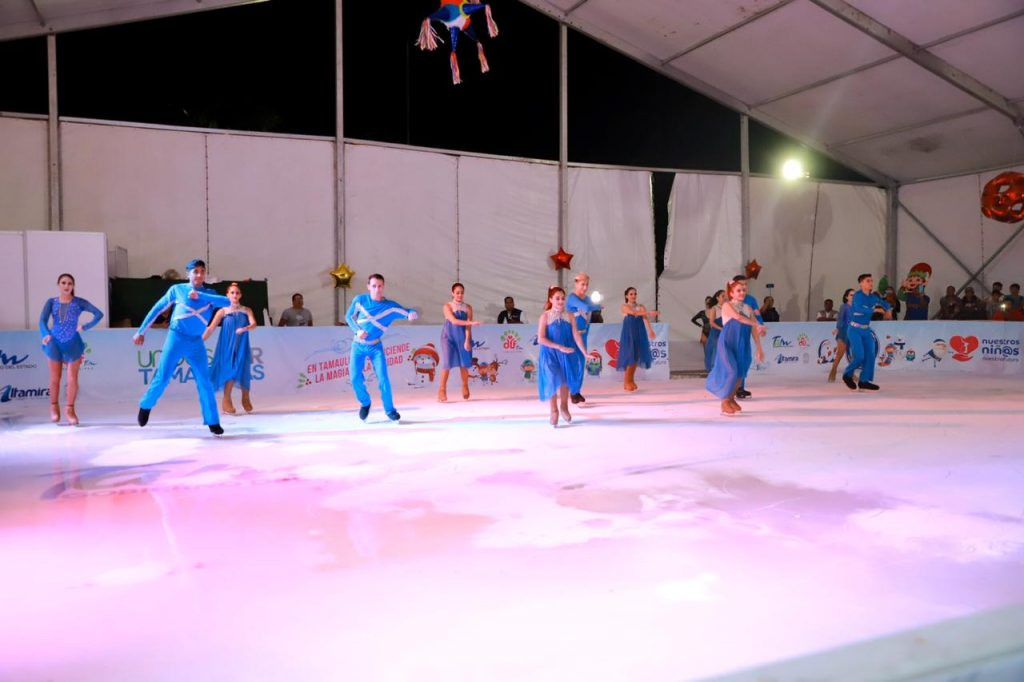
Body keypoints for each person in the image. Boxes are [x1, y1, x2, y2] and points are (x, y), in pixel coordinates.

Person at [134, 259, 231, 434]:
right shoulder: (177, 290)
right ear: (188, 274)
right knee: (162, 376)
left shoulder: (209, 293)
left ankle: (212, 421)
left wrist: (201, 296)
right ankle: (145, 405)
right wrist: (141, 331)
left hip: (195, 342)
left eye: (202, 271)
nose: (199, 274)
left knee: (205, 382)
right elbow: (157, 309)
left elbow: (227, 302)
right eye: (195, 271)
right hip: (176, 338)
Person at [345, 273, 418, 422]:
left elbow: (406, 311)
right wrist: (357, 330)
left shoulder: (390, 307)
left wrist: (412, 314)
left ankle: (390, 410)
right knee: (354, 378)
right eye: (374, 286)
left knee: (383, 379)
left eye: (379, 286)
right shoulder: (360, 300)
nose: (377, 289)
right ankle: (365, 403)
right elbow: (348, 317)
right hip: (357, 346)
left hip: (375, 347)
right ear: (368, 287)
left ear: (383, 287)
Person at [38, 273, 104, 425]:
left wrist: (85, 327)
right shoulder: (51, 302)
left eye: (69, 283)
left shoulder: (79, 302)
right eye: (63, 283)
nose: (66, 286)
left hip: (73, 343)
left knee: (72, 379)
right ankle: (54, 407)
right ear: (58, 285)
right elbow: (42, 320)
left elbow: (98, 314)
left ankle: (70, 409)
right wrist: (45, 334)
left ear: (73, 286)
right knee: (55, 378)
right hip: (54, 342)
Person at [705, 279, 765, 416]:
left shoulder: (748, 308)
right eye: (738, 290)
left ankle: (731, 398)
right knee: (732, 370)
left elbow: (754, 329)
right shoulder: (727, 306)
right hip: (728, 343)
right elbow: (738, 318)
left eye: (744, 290)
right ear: (731, 293)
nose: (742, 292)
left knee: (740, 373)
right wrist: (757, 324)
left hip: (743, 344)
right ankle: (724, 400)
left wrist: (759, 347)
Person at [203, 282, 257, 415]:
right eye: (232, 292)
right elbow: (210, 328)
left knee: (243, 367)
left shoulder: (246, 310)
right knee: (229, 369)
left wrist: (244, 329)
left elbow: (254, 324)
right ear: (227, 295)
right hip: (227, 345)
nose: (235, 295)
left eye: (237, 292)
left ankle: (246, 397)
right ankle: (226, 399)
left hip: (242, 344)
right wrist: (199, 341)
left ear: (241, 295)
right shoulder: (223, 311)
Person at [537, 286, 586, 427]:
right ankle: (554, 410)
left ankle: (564, 406)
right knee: (552, 379)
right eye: (557, 298)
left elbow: (576, 335)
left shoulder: (570, 315)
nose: (560, 301)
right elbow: (541, 338)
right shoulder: (545, 316)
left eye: (563, 298)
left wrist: (584, 352)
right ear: (551, 299)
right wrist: (559, 347)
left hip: (566, 353)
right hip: (550, 354)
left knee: (565, 381)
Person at [841, 273, 891, 392]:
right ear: (861, 283)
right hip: (854, 330)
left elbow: (884, 303)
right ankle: (847, 375)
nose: (871, 283)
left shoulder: (873, 297)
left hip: (866, 330)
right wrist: (876, 309)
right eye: (868, 281)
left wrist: (888, 309)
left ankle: (864, 381)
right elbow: (858, 309)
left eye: (872, 281)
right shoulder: (857, 296)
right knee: (859, 356)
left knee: (870, 355)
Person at [438, 282, 482, 402]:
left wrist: (467, 340)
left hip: (462, 337)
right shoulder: (447, 306)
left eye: (462, 293)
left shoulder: (468, 307)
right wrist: (470, 322)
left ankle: (465, 385)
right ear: (452, 293)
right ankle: (442, 390)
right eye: (457, 292)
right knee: (447, 363)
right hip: (448, 337)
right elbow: (454, 321)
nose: (460, 295)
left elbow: (468, 327)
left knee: (464, 364)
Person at [565, 272, 602, 404]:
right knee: (573, 364)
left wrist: (595, 307)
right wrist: (597, 306)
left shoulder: (587, 298)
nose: (585, 287)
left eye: (587, 284)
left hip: (583, 334)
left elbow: (590, 309)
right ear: (576, 283)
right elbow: (587, 307)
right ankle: (572, 391)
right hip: (571, 335)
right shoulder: (572, 298)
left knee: (581, 363)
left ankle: (576, 391)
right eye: (582, 284)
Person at [617, 287, 658, 391]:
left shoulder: (641, 306)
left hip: (640, 333)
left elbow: (645, 319)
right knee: (630, 355)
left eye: (635, 294)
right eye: (631, 294)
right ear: (626, 296)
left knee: (637, 356)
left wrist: (650, 331)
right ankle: (626, 382)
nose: (633, 296)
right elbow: (634, 313)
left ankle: (631, 380)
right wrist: (648, 312)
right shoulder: (624, 306)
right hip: (629, 334)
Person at [730, 275, 764, 399]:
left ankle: (740, 388)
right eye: (741, 285)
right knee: (732, 362)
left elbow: (756, 315)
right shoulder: (730, 300)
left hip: (745, 333)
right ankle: (729, 391)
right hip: (732, 334)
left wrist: (760, 325)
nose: (743, 287)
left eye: (745, 285)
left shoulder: (751, 300)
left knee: (744, 360)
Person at [828, 288, 854, 383]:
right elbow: (840, 319)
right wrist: (837, 328)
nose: (853, 296)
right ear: (846, 296)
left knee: (854, 355)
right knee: (840, 354)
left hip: (853, 332)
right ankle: (833, 370)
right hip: (843, 332)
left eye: (854, 295)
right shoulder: (844, 306)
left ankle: (850, 374)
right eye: (851, 295)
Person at [704, 290, 725, 373]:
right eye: (723, 296)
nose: (725, 297)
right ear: (717, 298)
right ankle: (713, 370)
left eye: (725, 296)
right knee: (714, 351)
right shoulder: (714, 308)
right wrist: (721, 329)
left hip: (726, 333)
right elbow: (711, 323)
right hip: (716, 333)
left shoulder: (729, 307)